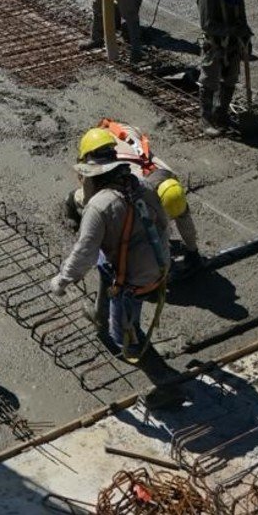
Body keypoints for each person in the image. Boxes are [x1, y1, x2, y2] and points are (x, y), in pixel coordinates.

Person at [48, 130, 170, 358]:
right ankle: (100, 313)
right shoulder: (142, 186)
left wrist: (62, 281)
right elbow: (164, 224)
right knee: (105, 263)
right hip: (158, 262)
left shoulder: (99, 206)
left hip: (136, 279)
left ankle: (128, 346)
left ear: (90, 174)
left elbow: (85, 253)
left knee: (122, 327)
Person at [68, 122, 201, 275]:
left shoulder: (172, 186)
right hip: (105, 140)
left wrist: (193, 251)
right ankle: (71, 205)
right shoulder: (135, 185)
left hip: (128, 135)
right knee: (88, 201)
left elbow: (183, 218)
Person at [196, 0, 253, 134]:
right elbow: (207, 24)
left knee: (230, 78)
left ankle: (221, 114)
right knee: (209, 80)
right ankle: (205, 120)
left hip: (234, 43)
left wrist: (245, 35)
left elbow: (241, 13)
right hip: (215, 44)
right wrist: (231, 30)